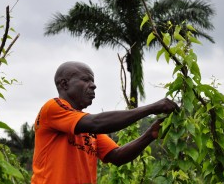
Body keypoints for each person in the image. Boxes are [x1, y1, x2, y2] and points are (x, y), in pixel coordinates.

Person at [31, 61, 179, 184]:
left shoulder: (84, 125)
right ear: (64, 84)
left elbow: (117, 156)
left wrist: (151, 134)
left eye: (93, 81)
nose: (93, 86)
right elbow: (97, 123)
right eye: (86, 80)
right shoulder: (52, 108)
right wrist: (152, 108)